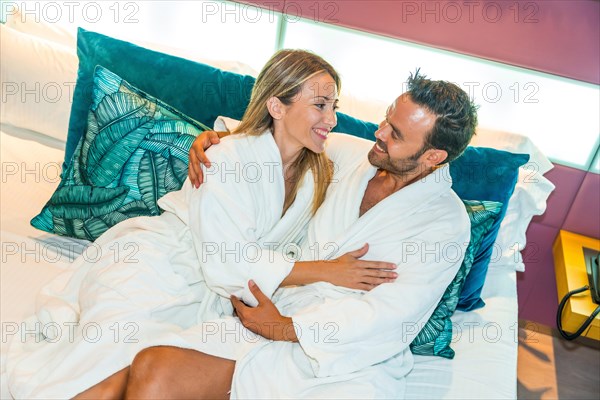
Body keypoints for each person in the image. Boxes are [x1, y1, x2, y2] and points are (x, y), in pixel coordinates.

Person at [6, 50, 396, 400]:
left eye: (334, 106)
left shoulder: (322, 165)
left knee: (146, 372)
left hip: (212, 298)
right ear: (277, 106)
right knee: (106, 355)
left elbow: (383, 158)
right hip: (160, 265)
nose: (332, 119)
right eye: (320, 105)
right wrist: (329, 271)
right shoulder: (225, 159)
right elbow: (228, 265)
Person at [122, 71, 478, 399]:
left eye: (396, 134)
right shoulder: (354, 155)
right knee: (152, 370)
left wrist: (286, 328)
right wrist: (219, 141)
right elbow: (282, 136)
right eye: (387, 118)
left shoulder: (445, 223)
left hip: (346, 355)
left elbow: (392, 315)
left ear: (433, 156)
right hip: (275, 306)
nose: (380, 133)